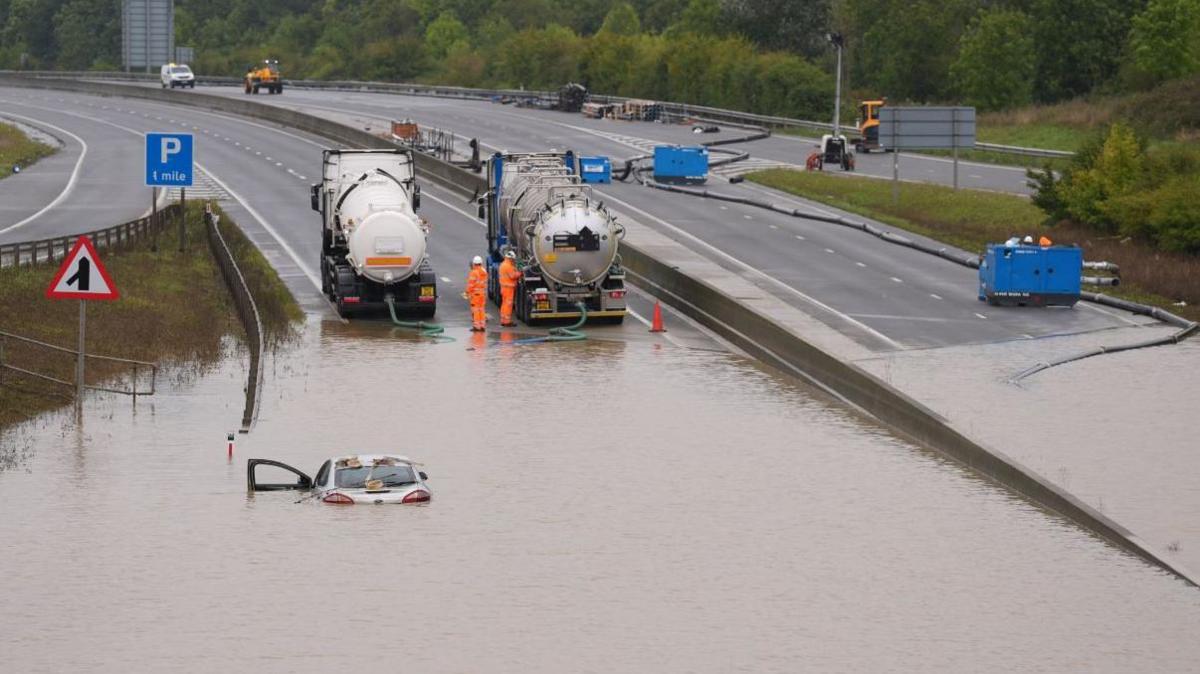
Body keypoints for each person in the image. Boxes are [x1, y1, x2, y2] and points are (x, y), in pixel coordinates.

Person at [498, 250, 522, 327]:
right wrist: (520, 273)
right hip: (508, 288)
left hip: (504, 288)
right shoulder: (508, 266)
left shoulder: (503, 265)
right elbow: (513, 276)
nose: (513, 260)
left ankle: (503, 320)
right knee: (508, 305)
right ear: (510, 258)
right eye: (513, 259)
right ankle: (507, 321)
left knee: (504, 304)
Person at [465, 255, 487, 332]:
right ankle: (482, 325)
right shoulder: (484, 271)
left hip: (476, 295)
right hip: (482, 294)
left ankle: (477, 327)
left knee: (476, 310)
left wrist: (467, 292)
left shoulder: (474, 273)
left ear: (474, 263)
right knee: (481, 310)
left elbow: (471, 284)